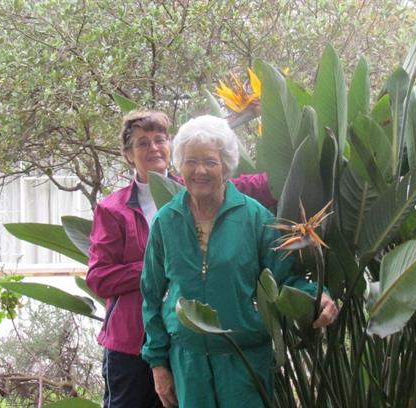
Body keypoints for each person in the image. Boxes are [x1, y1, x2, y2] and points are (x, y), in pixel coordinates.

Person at [141, 115, 338, 408]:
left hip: (245, 361)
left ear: (226, 166)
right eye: (191, 161)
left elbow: (286, 278)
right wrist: (158, 362)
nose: (200, 170)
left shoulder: (255, 217)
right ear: (180, 166)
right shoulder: (166, 221)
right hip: (189, 361)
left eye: (210, 161)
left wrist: (319, 296)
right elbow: (152, 295)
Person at [86, 110, 276, 408]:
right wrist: (163, 266)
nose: (153, 149)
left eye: (159, 140)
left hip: (184, 341)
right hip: (133, 341)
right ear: (127, 154)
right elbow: (99, 277)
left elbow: (241, 183)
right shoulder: (114, 209)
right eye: (142, 143)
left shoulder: (196, 184)